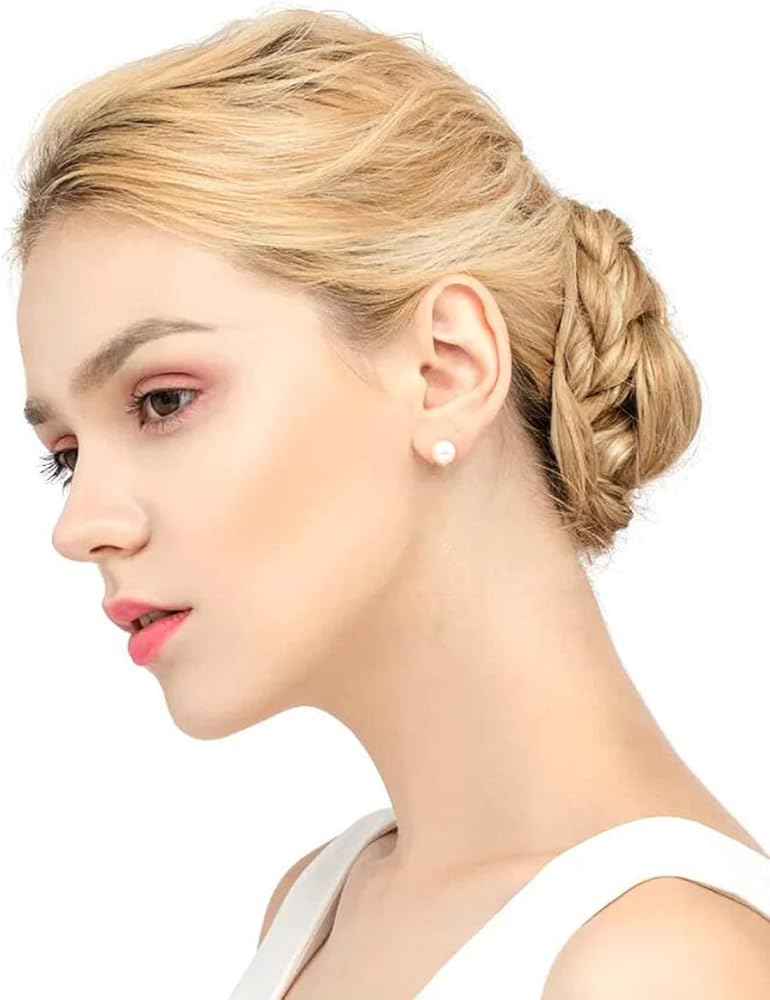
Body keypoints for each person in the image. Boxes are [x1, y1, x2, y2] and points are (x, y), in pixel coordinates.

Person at [12, 8, 770, 998]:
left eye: (163, 401)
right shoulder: (320, 903)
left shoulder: (659, 965)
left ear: (447, 367)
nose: (79, 527)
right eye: (66, 457)